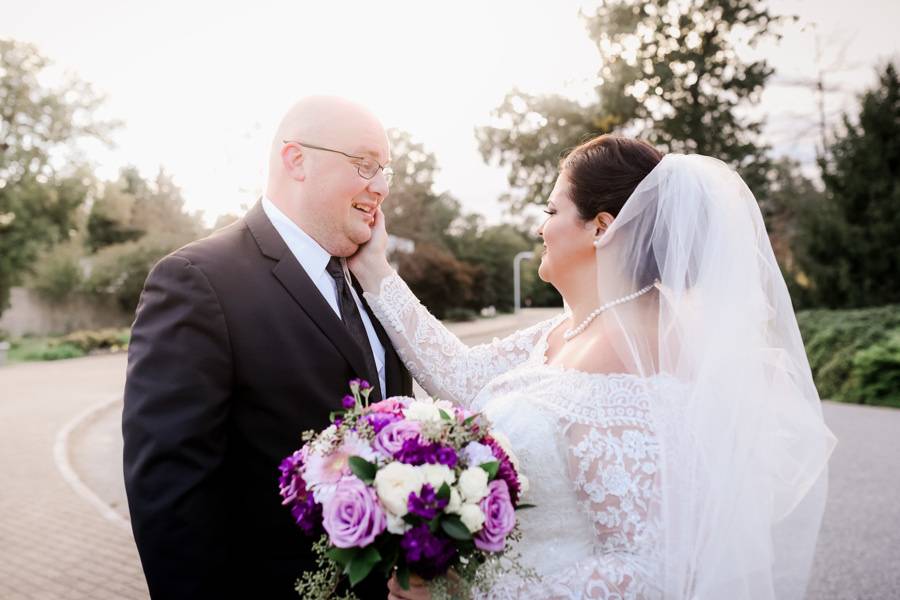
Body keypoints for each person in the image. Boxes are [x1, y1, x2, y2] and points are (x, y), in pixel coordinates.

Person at [349, 135, 836, 599]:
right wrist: (375, 269)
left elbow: (653, 568)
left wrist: (472, 592)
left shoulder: (644, 356)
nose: (540, 228)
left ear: (601, 227)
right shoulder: (564, 330)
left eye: (552, 211)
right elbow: (462, 376)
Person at [123, 96, 412, 599]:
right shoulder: (198, 281)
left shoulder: (374, 281)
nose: (382, 186)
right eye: (365, 165)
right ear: (296, 160)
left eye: (385, 170)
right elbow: (171, 501)